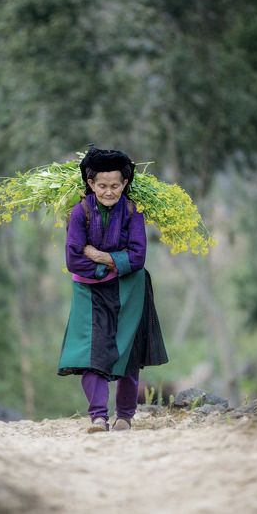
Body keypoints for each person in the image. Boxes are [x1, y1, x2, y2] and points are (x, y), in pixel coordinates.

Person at [57, 146, 168, 433]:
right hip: (89, 291)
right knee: (90, 351)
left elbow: (138, 257)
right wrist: (109, 267)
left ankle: (124, 417)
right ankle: (98, 417)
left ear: (125, 183)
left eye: (115, 186)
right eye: (102, 186)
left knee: (127, 350)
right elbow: (73, 259)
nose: (109, 191)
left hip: (130, 289)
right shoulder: (79, 212)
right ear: (91, 184)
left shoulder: (132, 211)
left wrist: (99, 256)